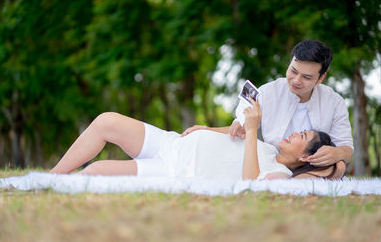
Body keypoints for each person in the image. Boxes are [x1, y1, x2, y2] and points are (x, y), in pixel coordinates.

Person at [183, 40, 353, 178]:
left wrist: (338, 153)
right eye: (293, 71)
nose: (296, 80)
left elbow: (346, 148)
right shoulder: (268, 92)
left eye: (307, 77)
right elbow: (245, 129)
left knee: (338, 166)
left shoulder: (334, 102)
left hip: (306, 168)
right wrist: (208, 130)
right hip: (270, 162)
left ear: (321, 78)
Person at [50, 98, 337, 180]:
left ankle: (57, 183)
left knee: (96, 173)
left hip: (174, 170)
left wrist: (252, 131)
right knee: (106, 121)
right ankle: (48, 178)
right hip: (172, 143)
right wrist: (207, 129)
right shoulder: (269, 146)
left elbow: (250, 183)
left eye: (301, 135)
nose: (292, 134)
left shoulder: (280, 176)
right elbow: (231, 136)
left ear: (304, 156)